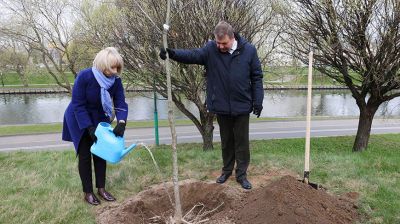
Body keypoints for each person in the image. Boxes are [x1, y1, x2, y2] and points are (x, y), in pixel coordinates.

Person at [159, 21, 264, 189]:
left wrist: (258, 100)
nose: (220, 46)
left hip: (242, 104)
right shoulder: (210, 50)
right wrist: (172, 53)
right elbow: (192, 55)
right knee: (226, 141)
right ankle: (227, 171)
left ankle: (242, 175)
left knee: (242, 142)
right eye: (217, 42)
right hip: (221, 105)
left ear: (232, 37)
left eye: (223, 43)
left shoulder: (249, 51)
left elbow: (257, 77)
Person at [62, 47, 128, 205]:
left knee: (101, 153)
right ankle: (88, 192)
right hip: (79, 118)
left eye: (118, 67)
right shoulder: (85, 76)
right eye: (113, 67)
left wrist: (121, 122)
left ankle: (101, 189)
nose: (116, 71)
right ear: (103, 64)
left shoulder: (115, 81)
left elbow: (120, 102)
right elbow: (78, 104)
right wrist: (89, 128)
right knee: (85, 154)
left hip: (99, 117)